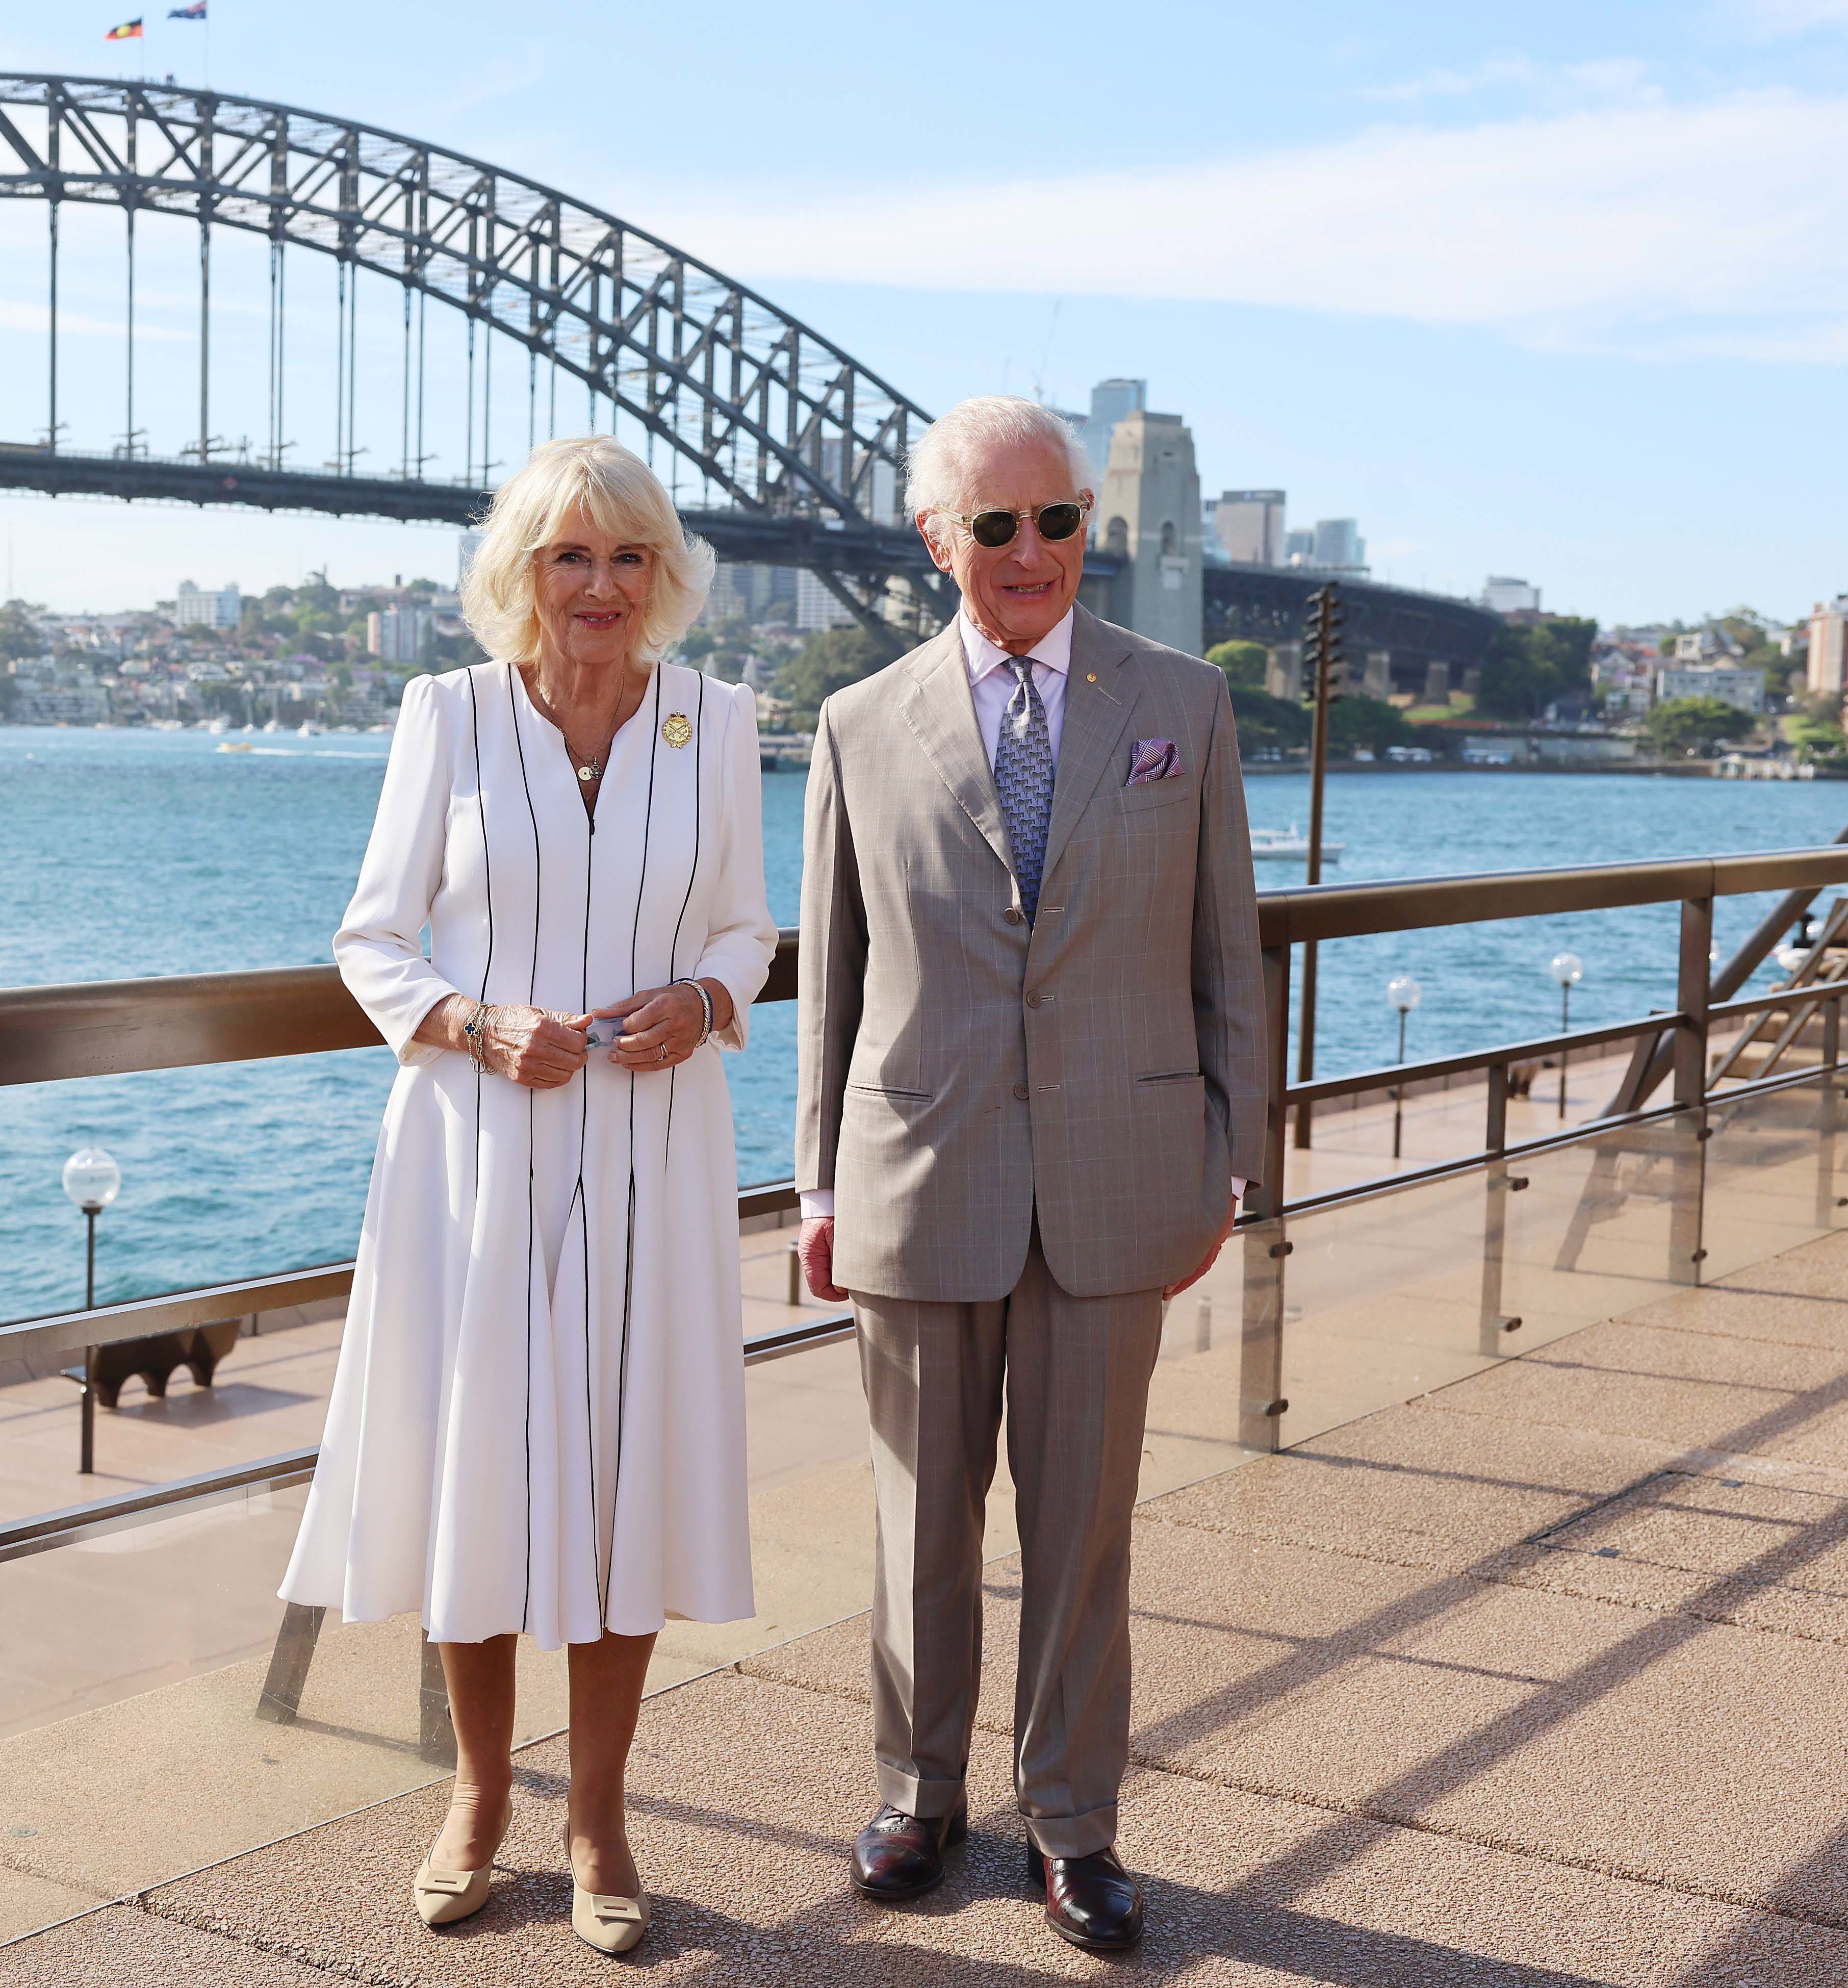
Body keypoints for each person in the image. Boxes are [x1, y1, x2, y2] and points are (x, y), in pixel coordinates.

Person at [278, 435, 777, 1957]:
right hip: (475, 1148)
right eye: (572, 556)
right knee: (478, 1470)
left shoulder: (720, 720)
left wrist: (708, 998)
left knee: (626, 1467)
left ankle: (603, 1814)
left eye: (629, 557)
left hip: (652, 1143)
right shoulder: (448, 717)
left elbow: (754, 927)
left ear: (663, 576)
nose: (602, 585)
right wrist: (479, 1022)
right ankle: (478, 1800)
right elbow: (372, 940)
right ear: (524, 573)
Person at [794, 396, 1263, 1953]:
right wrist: (815, 1185)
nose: (1030, 553)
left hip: (1123, 1176)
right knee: (916, 1519)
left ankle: (1072, 1822)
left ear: (1088, 525)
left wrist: (1227, 1164)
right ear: (939, 541)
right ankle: (917, 1795)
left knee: (1084, 1529)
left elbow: (1226, 960)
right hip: (919, 1169)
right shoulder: (862, 720)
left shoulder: (1181, 703)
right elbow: (839, 979)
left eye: (1055, 519)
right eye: (993, 526)